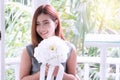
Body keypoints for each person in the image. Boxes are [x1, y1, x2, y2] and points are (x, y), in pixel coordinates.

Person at [20, 4, 79, 80]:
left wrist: (60, 73)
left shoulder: (69, 49)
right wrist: (41, 73)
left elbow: (74, 78)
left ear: (56, 23)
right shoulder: (29, 50)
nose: (41, 28)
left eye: (46, 23)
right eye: (37, 24)